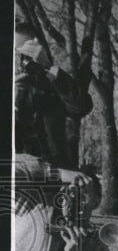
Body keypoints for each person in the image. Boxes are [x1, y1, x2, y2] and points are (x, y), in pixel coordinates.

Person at [14, 21, 93, 169]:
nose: (16, 61)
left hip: (54, 180)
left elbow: (81, 107)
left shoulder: (49, 83)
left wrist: (48, 67)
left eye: (21, 53)